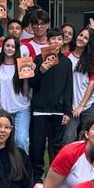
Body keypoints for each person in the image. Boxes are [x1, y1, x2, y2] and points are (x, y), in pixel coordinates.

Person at [29, 41, 72, 172]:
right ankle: (37, 176)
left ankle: (56, 174)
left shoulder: (66, 62)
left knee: (57, 145)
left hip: (58, 110)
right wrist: (40, 71)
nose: (56, 42)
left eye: (59, 39)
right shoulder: (37, 59)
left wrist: (67, 111)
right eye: (53, 39)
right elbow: (32, 84)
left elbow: (68, 87)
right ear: (48, 41)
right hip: (40, 109)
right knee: (38, 144)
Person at [0, 35, 32, 154]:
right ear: (3, 47)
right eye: (7, 45)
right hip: (4, 109)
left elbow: (26, 92)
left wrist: (26, 77)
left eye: (13, 46)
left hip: (22, 109)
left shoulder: (22, 64)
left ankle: (24, 169)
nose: (10, 48)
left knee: (21, 140)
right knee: (3, 142)